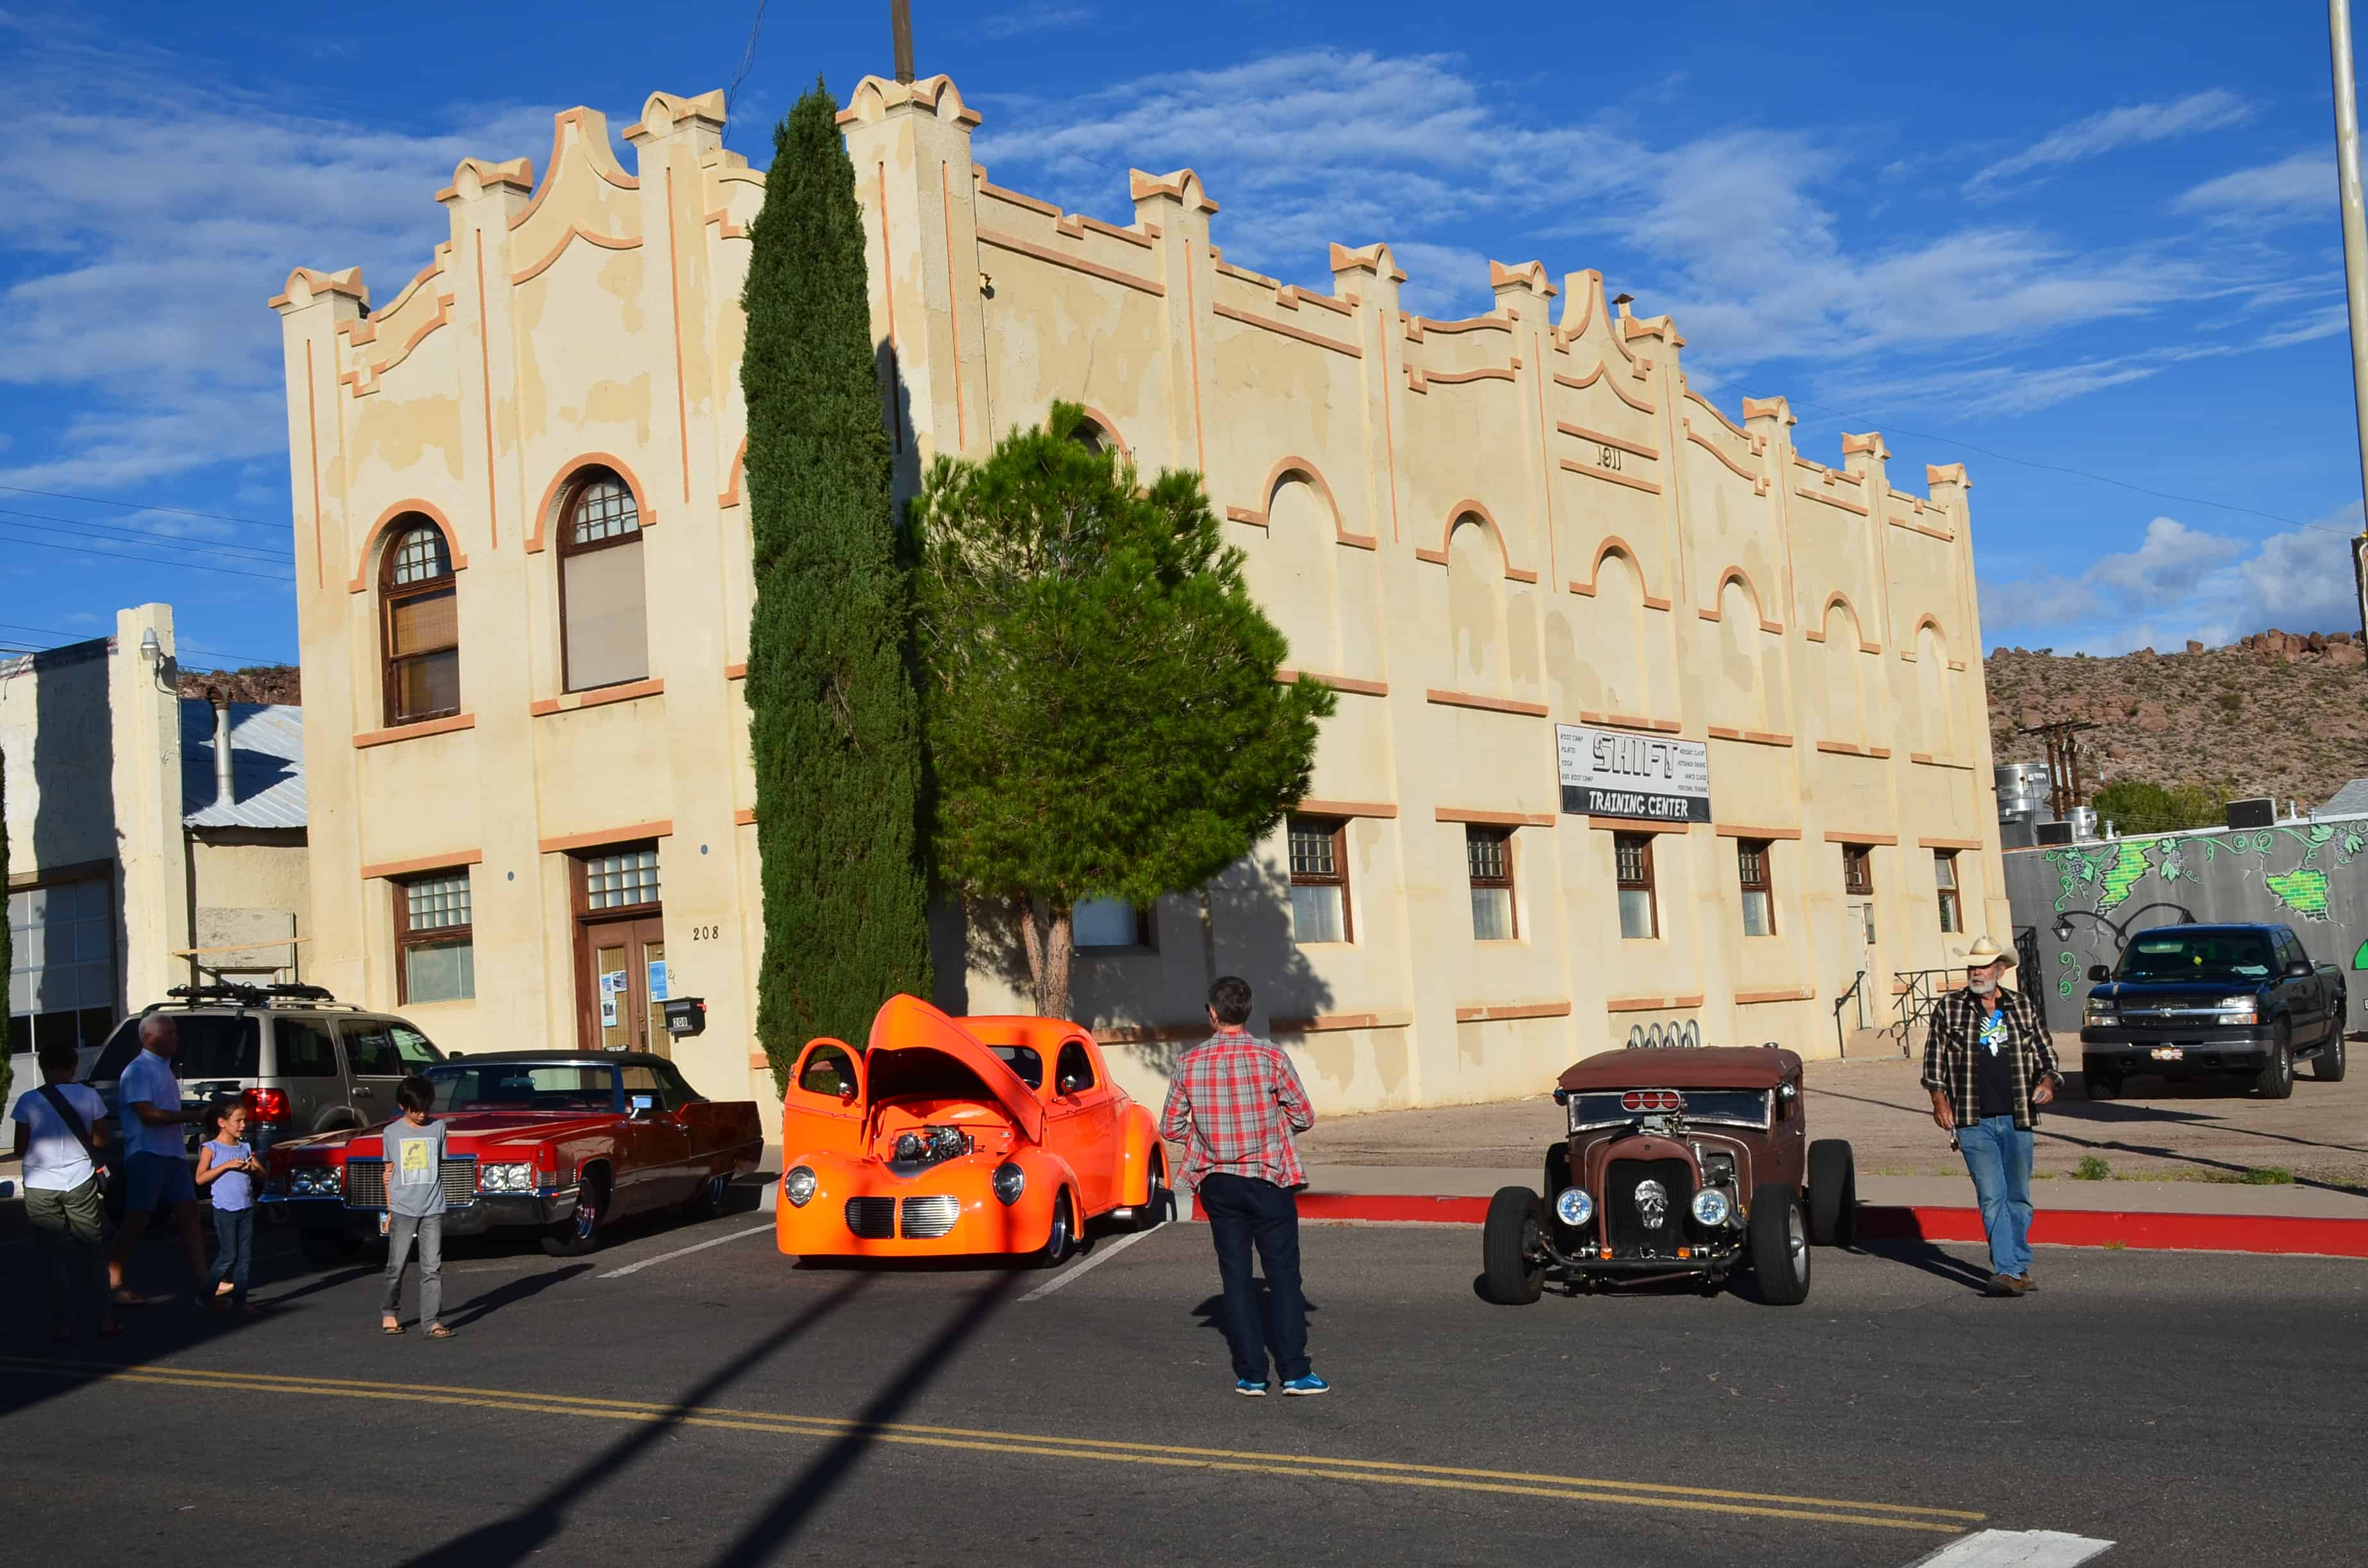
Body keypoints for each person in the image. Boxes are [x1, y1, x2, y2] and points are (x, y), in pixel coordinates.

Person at [1159, 975, 1327, 1397]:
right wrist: (1272, 1130)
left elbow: (1170, 1126)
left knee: (1235, 1277)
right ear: (1246, 1011)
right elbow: (1304, 1115)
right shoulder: (1271, 1056)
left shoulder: (1189, 1063)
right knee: (1284, 1276)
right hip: (1269, 1178)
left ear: (1212, 1014)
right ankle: (1294, 1371)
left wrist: (1208, 1137)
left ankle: (1252, 1374)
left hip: (1219, 1181)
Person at [1922, 935, 2062, 1298]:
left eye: (1983, 967)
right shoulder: (1950, 1008)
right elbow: (1933, 1061)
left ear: (2001, 970)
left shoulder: (2021, 1006)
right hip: (1973, 1119)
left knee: (2019, 1196)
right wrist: (1940, 1102)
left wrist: (2047, 1082)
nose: (1976, 973)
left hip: (2017, 1116)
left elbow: (2047, 1054)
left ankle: (2019, 1265)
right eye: (1972, 967)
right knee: (1992, 1195)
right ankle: (2008, 1269)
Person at [11, 1042, 123, 1341]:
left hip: (40, 1183)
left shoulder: (28, 1101)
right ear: (73, 1067)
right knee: (92, 1250)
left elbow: (21, 1148)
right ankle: (105, 1319)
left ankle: (63, 1325)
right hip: (79, 1179)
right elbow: (101, 1140)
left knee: (53, 1256)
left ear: (43, 1069)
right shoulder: (89, 1096)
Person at [108, 1014, 210, 1309]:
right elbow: (148, 1115)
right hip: (147, 1154)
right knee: (138, 1220)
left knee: (190, 1216)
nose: (176, 1038)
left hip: (173, 1154)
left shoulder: (164, 1070)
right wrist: (195, 1116)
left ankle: (204, 1280)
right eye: (170, 1032)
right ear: (150, 1038)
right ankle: (113, 1280)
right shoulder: (137, 1071)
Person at [381, 1074, 452, 1338]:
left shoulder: (439, 1128)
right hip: (402, 1207)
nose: (422, 1114)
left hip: (432, 1207)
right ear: (403, 1106)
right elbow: (388, 1172)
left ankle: (431, 1321)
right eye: (416, 1109)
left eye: (426, 1108)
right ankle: (390, 1312)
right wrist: (388, 1210)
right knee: (396, 1265)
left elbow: (439, 1165)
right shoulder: (391, 1132)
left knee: (432, 1267)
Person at [195, 1102, 265, 1315]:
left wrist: (254, 1168)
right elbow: (200, 1178)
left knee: (244, 1257)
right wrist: (226, 1165)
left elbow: (263, 1173)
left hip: (246, 1207)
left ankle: (240, 1301)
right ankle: (206, 1295)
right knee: (228, 1255)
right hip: (225, 1209)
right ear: (222, 1123)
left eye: (245, 1120)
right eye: (238, 1120)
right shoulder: (211, 1148)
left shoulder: (244, 1147)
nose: (243, 1125)